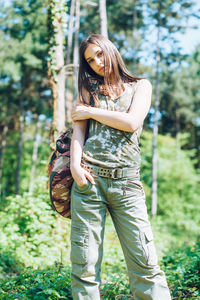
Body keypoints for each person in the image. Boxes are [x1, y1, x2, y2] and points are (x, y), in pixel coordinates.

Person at [70, 34, 171, 300]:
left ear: (110, 50)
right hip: (89, 183)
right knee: (84, 267)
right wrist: (74, 167)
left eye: (99, 54)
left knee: (146, 264)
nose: (96, 63)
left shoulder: (141, 86)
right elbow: (78, 133)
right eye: (90, 60)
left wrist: (91, 112)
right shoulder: (87, 89)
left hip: (127, 185)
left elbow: (131, 122)